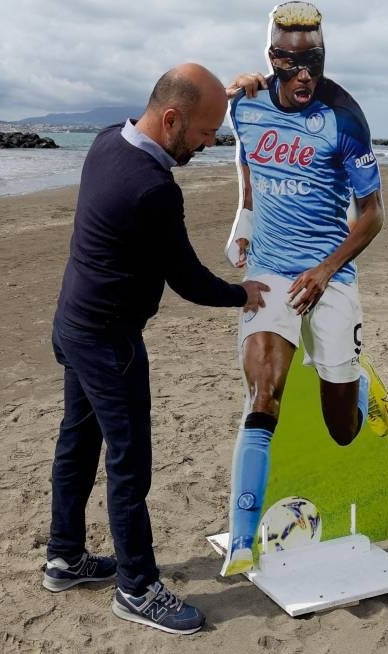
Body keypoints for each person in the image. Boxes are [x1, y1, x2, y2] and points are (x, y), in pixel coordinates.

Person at [44, 62, 270, 635]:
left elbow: (195, 98)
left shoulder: (105, 141)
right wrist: (241, 294)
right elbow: (189, 279)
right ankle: (137, 589)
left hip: (72, 323)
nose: (210, 143)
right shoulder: (153, 189)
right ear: (170, 119)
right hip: (109, 340)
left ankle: (65, 557)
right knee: (128, 463)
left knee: (78, 442)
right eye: (201, 133)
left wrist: (236, 90)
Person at [220, 1, 388, 577]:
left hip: (331, 274)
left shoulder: (346, 118)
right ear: (272, 59)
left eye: (313, 60)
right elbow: (245, 159)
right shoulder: (244, 104)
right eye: (291, 63)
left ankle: (363, 390)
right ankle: (243, 543)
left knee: (341, 430)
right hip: (269, 272)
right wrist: (244, 220)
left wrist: (323, 271)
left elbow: (372, 216)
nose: (304, 75)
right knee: (262, 394)